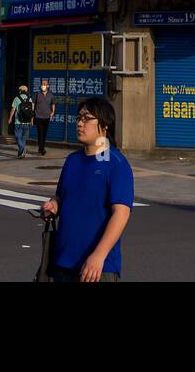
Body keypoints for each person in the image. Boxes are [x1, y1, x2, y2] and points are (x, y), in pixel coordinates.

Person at [41, 97, 133, 281]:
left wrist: (99, 255)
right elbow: (62, 198)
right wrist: (54, 205)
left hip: (97, 267)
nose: (80, 123)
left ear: (105, 124)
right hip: (63, 262)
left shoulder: (116, 164)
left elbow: (121, 214)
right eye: (79, 118)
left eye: (87, 118)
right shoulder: (72, 161)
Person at [8, 83, 34, 157]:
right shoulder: (30, 99)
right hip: (27, 122)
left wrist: (10, 118)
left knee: (17, 136)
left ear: (20, 91)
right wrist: (32, 120)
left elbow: (13, 109)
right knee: (23, 138)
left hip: (18, 121)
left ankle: (22, 149)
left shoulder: (16, 98)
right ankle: (21, 152)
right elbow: (32, 111)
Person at [33, 78, 56, 155]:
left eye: (45, 84)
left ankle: (41, 148)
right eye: (42, 84)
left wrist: (53, 112)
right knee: (40, 133)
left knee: (44, 133)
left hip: (47, 117)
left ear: (48, 86)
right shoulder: (37, 94)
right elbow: (33, 104)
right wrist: (33, 113)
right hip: (38, 116)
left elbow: (53, 104)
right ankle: (41, 149)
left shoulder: (51, 95)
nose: (43, 86)